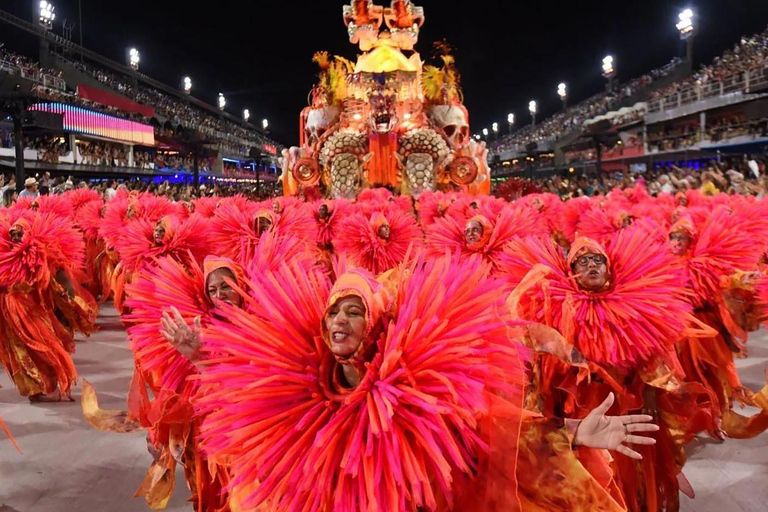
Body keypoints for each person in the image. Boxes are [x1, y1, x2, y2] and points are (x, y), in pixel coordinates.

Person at [191, 255, 658, 512]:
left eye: (355, 311)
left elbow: (489, 437)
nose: (341, 320)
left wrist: (573, 432)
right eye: (335, 311)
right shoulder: (299, 394)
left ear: (375, 324)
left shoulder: (419, 389)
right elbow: (248, 428)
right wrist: (200, 354)